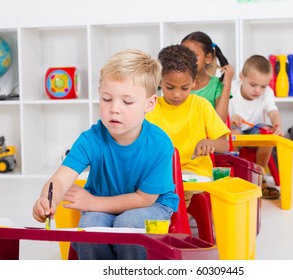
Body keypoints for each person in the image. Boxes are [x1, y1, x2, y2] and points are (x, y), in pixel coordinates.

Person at [32, 49, 179, 260]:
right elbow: (61, 179)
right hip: (103, 203)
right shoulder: (90, 139)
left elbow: (144, 199)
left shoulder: (160, 143)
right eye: (106, 99)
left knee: (128, 225)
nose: (114, 109)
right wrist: (47, 201)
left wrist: (94, 203)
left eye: (127, 102)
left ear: (150, 103)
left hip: (152, 205)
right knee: (91, 227)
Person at [146, 44, 230, 207]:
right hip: (160, 173)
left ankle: (175, 224)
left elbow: (224, 145)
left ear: (193, 82)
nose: (177, 94)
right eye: (169, 87)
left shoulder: (201, 105)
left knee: (175, 192)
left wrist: (210, 143)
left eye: (184, 88)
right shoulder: (151, 107)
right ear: (159, 82)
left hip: (194, 174)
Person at [229, 54, 283, 199]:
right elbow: (219, 115)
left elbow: (273, 112)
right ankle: (236, 176)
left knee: (268, 134)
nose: (258, 90)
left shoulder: (267, 93)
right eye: (253, 85)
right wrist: (231, 119)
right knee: (233, 133)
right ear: (242, 77)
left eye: (263, 86)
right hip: (235, 129)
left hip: (255, 129)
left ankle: (260, 176)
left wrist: (277, 123)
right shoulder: (231, 89)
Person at [181, 31, 234, 122]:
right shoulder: (177, 83)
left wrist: (227, 84)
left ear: (208, 58)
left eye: (193, 55)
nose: (186, 59)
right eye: (183, 55)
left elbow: (220, 121)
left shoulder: (217, 85)